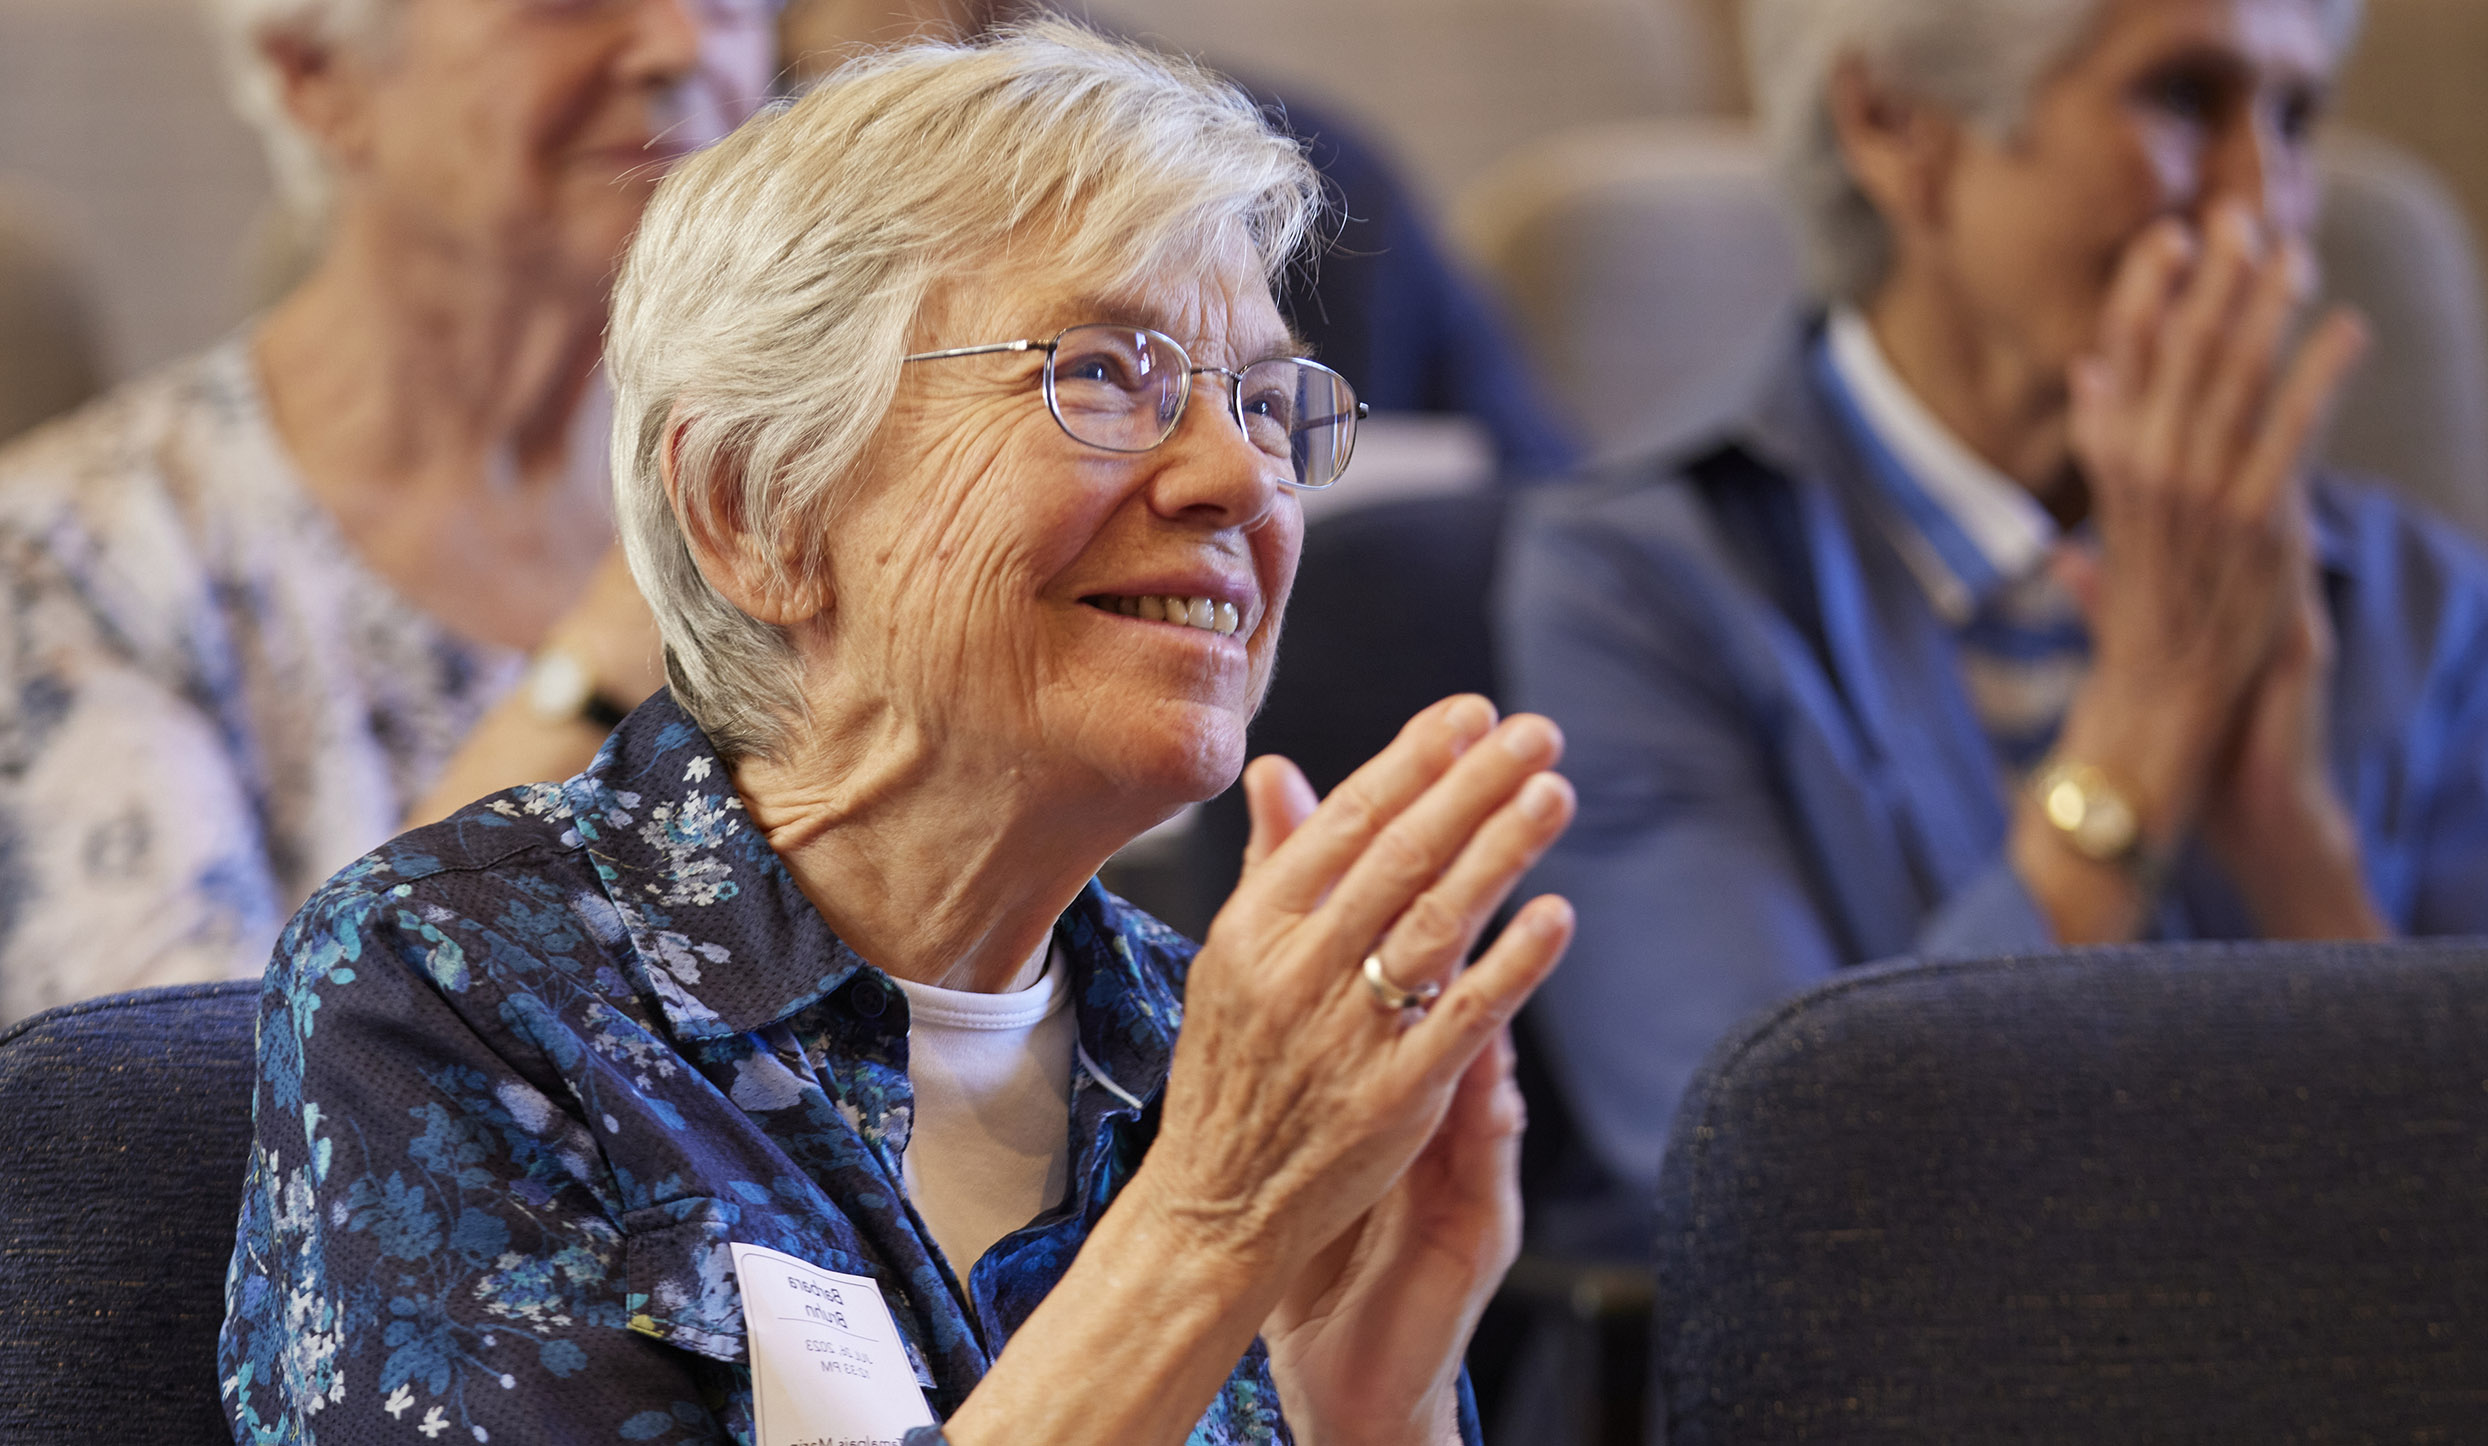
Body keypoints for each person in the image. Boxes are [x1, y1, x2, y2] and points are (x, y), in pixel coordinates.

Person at [219, 24, 1580, 1444]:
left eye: (1262, 402)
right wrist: (1207, 1232)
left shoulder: (1217, 1048)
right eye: (1103, 372)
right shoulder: (457, 990)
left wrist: (1376, 1412)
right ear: (755, 508)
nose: (1239, 476)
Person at [1501, 0, 2488, 1255]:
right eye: (2184, 99)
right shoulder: (1642, 582)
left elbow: (2452, 1226)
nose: (2267, 203)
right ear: (1893, 125)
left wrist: (2292, 849)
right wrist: (2145, 725)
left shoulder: (2415, 593)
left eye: (2293, 118)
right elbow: (1767, 1201)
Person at [0, 0, 775, 1026]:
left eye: (731, 1)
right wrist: (593, 678)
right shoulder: (74, 560)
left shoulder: (803, 488)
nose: (680, 43)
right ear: (315, 76)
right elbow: (188, 1097)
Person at [779, 0, 1582, 477]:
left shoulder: (1296, 176)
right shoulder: (723, 187)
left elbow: (1532, 506)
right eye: (1097, 373)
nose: (1230, 478)